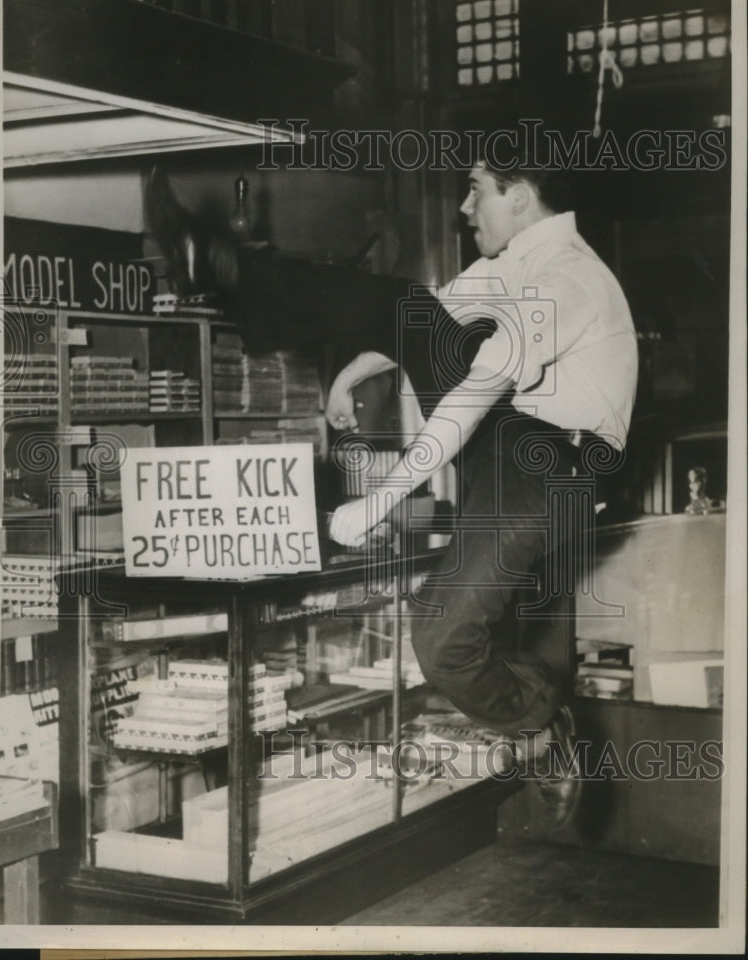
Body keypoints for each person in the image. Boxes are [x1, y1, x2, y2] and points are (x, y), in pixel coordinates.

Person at [144, 159, 638, 826]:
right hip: (513, 454)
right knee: (405, 304)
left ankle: (541, 726)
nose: (465, 209)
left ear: (519, 197)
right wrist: (350, 373)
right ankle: (222, 266)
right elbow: (424, 320)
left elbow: (470, 397)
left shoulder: (564, 280)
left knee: (439, 643)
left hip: (547, 468)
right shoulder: (515, 264)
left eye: (476, 191)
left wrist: (375, 502)